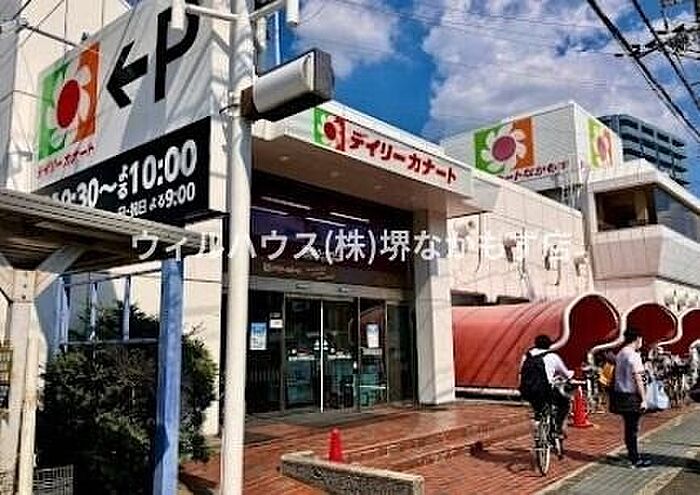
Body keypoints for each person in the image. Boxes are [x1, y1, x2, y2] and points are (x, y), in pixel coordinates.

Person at [521, 335, 574, 437]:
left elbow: (521, 372)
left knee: (538, 408)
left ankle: (538, 423)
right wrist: (571, 375)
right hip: (546, 390)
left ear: (535, 344)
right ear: (549, 345)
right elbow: (566, 374)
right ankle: (558, 428)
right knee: (564, 404)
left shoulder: (527, 356)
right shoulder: (553, 357)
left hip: (529, 390)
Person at [613, 328, 651, 468]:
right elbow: (638, 378)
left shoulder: (621, 354)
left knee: (629, 427)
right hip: (632, 396)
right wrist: (644, 399)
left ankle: (632, 456)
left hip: (620, 395)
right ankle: (635, 459)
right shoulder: (634, 356)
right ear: (637, 339)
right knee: (633, 429)